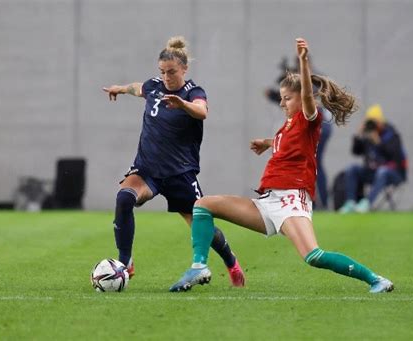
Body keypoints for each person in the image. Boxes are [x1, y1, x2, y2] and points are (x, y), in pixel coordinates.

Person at [169, 38, 394, 294]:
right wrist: (267, 143)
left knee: (313, 256)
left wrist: (303, 62)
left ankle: (376, 279)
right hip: (268, 201)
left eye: (287, 98)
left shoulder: (310, 117)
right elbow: (287, 144)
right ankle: (199, 266)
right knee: (202, 205)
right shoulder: (287, 126)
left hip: (291, 201)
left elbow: (308, 95)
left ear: (301, 99)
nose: (282, 102)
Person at [102, 36, 245, 287]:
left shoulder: (193, 92)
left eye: (172, 72)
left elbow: (202, 111)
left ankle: (231, 262)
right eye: (163, 72)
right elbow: (139, 87)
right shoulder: (155, 86)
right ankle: (125, 262)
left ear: (184, 69)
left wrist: (182, 104)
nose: (167, 77)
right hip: (148, 170)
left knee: (203, 228)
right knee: (124, 197)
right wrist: (120, 88)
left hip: (180, 173)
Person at [265, 55, 332, 209]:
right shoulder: (314, 79)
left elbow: (299, 100)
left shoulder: (311, 81)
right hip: (320, 124)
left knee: (313, 163)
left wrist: (275, 95)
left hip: (318, 125)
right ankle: (315, 201)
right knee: (313, 163)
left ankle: (316, 202)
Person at [338, 104, 408, 213]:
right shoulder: (368, 135)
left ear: (381, 122)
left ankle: (366, 204)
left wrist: (378, 142)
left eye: (374, 122)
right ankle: (350, 203)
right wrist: (358, 135)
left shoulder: (392, 135)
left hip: (394, 174)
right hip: (373, 172)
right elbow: (356, 152)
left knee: (382, 172)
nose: (373, 125)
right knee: (352, 169)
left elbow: (395, 157)